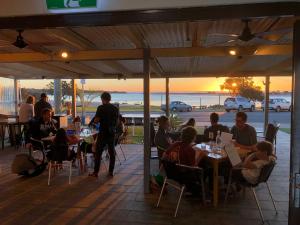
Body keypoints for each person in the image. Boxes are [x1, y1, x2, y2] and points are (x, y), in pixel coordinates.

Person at [89, 92, 119, 178]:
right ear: (109, 99)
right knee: (111, 152)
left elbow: (97, 120)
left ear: (102, 99)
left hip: (103, 133)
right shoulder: (115, 108)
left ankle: (96, 172)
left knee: (98, 153)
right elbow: (116, 122)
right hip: (111, 133)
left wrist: (94, 121)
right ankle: (110, 172)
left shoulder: (100, 108)